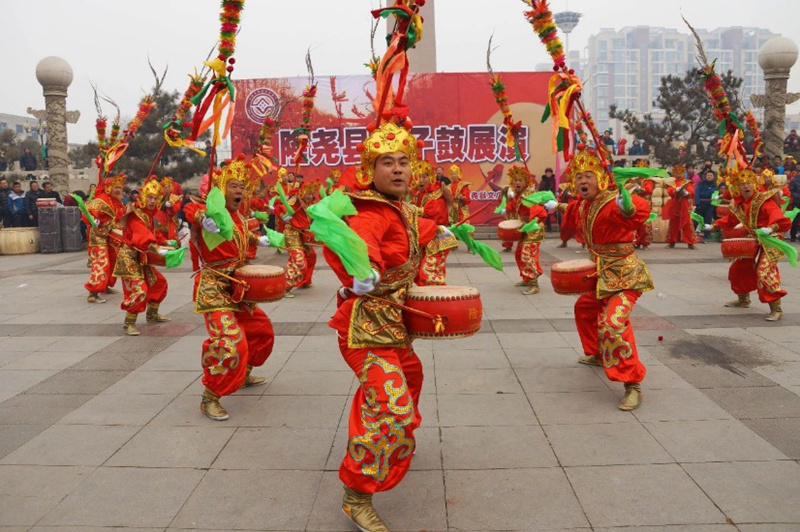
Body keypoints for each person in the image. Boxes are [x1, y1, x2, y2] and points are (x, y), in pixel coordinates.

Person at [323, 121, 441, 532]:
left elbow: (420, 229)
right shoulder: (371, 211)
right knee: (389, 402)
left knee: (411, 378)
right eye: (386, 162)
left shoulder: (402, 209)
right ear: (369, 171)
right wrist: (364, 270)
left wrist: (443, 229)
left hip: (392, 324)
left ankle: (395, 437)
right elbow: (363, 241)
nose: (397, 169)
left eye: (403, 162)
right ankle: (356, 495)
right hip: (364, 329)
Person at [551, 147, 652, 410]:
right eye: (579, 177)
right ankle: (598, 353)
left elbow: (636, 212)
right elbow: (573, 209)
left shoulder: (611, 202)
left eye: (588, 176)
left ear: (600, 179)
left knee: (612, 323)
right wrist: (556, 205)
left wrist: (627, 206)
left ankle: (632, 384)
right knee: (585, 308)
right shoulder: (585, 205)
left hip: (625, 276)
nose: (583, 181)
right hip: (600, 275)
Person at [184, 156, 276, 421]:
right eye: (234, 186)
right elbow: (190, 210)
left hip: (238, 286)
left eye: (242, 187)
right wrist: (203, 219)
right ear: (221, 189)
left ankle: (242, 373)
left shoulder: (237, 217)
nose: (240, 191)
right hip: (214, 288)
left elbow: (242, 236)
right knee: (230, 341)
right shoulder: (210, 212)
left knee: (261, 331)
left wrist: (261, 239)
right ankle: (210, 396)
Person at [713, 168, 791, 321]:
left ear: (754, 184)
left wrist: (770, 228)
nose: (746, 187)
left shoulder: (763, 199)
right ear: (738, 187)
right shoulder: (740, 204)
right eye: (742, 184)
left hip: (769, 239)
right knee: (738, 269)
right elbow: (731, 219)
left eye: (749, 183)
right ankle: (743, 300)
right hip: (752, 239)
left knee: (764, 271)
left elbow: (776, 214)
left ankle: (776, 308)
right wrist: (714, 226)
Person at [112, 176, 171, 335]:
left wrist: (166, 242)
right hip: (129, 258)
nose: (152, 201)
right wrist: (156, 248)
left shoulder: (148, 215)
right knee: (139, 290)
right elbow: (142, 235)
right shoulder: (136, 215)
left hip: (141, 257)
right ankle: (129, 322)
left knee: (159, 283)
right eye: (150, 197)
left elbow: (153, 233)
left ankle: (152, 315)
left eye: (155, 198)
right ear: (143, 197)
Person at [84, 174, 126, 303]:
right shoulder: (102, 200)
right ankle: (93, 293)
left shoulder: (116, 202)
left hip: (109, 235)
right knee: (101, 263)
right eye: (116, 187)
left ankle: (105, 285)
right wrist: (94, 220)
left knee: (113, 260)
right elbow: (87, 212)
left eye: (120, 188)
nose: (118, 190)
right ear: (109, 188)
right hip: (98, 236)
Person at [415, 161, 457, 285]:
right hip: (424, 235)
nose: (421, 180)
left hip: (437, 237)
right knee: (418, 272)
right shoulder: (420, 194)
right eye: (418, 177)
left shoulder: (438, 192)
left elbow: (433, 211)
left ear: (431, 177)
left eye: (424, 177)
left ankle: (436, 296)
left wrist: (411, 210)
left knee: (430, 273)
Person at [506, 166, 547, 294]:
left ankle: (534, 284)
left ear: (526, 182)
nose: (517, 183)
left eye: (520, 180)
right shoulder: (518, 196)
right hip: (525, 229)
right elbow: (512, 207)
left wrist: (531, 222)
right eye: (515, 180)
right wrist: (505, 208)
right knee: (519, 253)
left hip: (534, 229)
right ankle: (526, 278)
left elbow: (540, 213)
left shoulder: (529, 195)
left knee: (527, 255)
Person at [275, 180, 319, 294]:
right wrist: (284, 216)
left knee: (311, 256)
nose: (310, 196)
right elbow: (279, 209)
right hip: (292, 233)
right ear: (302, 193)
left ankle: (304, 281)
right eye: (308, 194)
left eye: (311, 194)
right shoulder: (294, 201)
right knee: (298, 259)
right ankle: (284, 287)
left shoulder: (308, 203)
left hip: (303, 233)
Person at [664, 164, 696, 249]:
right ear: (674, 173)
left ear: (683, 173)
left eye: (681, 173)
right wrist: (675, 190)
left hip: (684, 205)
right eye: (677, 173)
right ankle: (672, 241)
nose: (679, 175)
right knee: (673, 224)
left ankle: (690, 242)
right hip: (675, 205)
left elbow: (692, 192)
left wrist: (687, 193)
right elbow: (669, 191)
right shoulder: (671, 182)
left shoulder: (687, 182)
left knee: (687, 223)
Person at [694, 170, 717, 243]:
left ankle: (706, 237)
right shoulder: (700, 184)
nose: (709, 177)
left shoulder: (715, 185)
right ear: (705, 176)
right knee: (695, 220)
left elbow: (713, 193)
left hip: (709, 205)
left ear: (713, 177)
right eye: (708, 175)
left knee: (708, 222)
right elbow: (697, 193)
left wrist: (704, 193)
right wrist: (697, 203)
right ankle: (691, 236)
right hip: (700, 204)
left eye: (711, 175)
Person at [538, 167, 557, 232]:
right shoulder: (543, 181)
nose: (548, 174)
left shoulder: (554, 181)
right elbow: (540, 190)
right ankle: (549, 228)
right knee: (546, 214)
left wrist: (555, 192)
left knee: (556, 212)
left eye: (549, 172)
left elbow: (557, 188)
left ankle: (561, 226)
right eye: (547, 172)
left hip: (553, 199)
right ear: (545, 173)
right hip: (545, 200)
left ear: (551, 173)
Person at [790, 173, 800, 242]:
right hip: (797, 202)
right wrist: (797, 197)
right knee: (795, 220)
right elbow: (791, 191)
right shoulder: (795, 180)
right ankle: (793, 236)